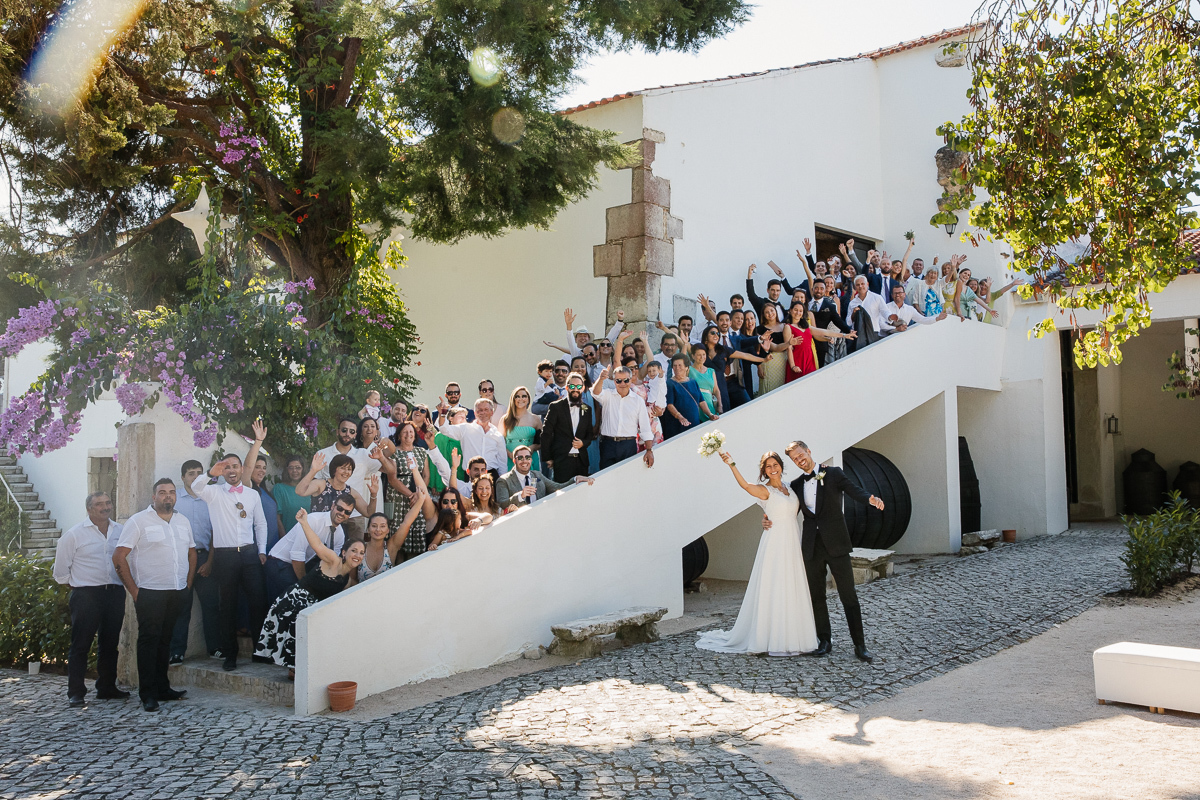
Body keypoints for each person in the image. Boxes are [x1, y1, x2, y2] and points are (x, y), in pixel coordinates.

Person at [696, 450, 817, 656]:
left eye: (775, 465)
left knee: (792, 584)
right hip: (775, 542)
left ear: (781, 466)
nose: (772, 469)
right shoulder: (765, 490)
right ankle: (769, 637)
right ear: (764, 471)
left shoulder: (790, 487)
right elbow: (745, 486)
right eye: (768, 467)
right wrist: (732, 464)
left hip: (792, 540)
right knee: (775, 584)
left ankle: (797, 634)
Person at [774, 440, 884, 662]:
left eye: (800, 454)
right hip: (811, 547)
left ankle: (859, 645)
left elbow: (854, 490)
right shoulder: (796, 484)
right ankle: (824, 641)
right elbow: (783, 508)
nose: (799, 459)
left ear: (809, 451)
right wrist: (768, 519)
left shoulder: (833, 473)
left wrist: (870, 499)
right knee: (817, 596)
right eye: (795, 459)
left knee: (849, 596)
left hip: (837, 545)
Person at [113, 478, 196, 712]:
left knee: (165, 642)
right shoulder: (138, 521)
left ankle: (163, 687)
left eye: (171, 492)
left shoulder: (183, 521)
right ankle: (147, 693)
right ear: (154, 497)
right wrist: (135, 591)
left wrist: (187, 583)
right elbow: (119, 557)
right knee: (149, 643)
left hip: (176, 591)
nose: (167, 496)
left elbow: (191, 552)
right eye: (162, 492)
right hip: (149, 593)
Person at [190, 433, 269, 672]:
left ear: (241, 469)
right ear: (222, 471)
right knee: (228, 606)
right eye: (227, 467)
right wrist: (210, 473)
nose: (232, 470)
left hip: (249, 554)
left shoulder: (252, 494)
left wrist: (262, 550)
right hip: (224, 557)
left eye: (235, 466)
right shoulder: (214, 492)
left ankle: (260, 650)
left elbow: (261, 524)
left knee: (258, 602)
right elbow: (195, 487)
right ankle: (230, 655)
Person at [256, 508, 364, 677]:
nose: (357, 555)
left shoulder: (347, 580)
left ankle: (296, 674)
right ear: (344, 552)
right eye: (354, 551)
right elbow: (317, 545)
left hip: (309, 611)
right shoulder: (332, 560)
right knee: (295, 655)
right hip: (293, 603)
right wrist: (305, 523)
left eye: (361, 553)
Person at [52, 491, 127, 707]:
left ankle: (107, 687)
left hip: (114, 592)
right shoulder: (74, 534)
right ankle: (76, 692)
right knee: (81, 644)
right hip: (86, 594)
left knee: (110, 643)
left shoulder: (120, 531)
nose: (105, 507)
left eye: (108, 502)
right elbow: (60, 572)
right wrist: (80, 586)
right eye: (99, 504)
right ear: (89, 509)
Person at [171, 460, 221, 663]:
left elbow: (216, 532)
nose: (195, 477)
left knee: (211, 605)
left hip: (204, 559)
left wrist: (209, 562)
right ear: (183, 477)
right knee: (181, 605)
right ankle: (177, 651)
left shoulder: (210, 499)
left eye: (199, 473)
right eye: (191, 473)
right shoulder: (176, 501)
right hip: (181, 559)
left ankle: (215, 648)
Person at [263, 494, 353, 602]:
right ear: (333, 506)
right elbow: (297, 554)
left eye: (347, 512)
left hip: (298, 565)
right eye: (340, 508)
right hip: (279, 563)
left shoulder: (340, 534)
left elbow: (332, 563)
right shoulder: (312, 520)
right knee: (289, 603)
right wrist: (305, 585)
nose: (342, 513)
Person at [314, 417, 381, 542]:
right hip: (330, 515)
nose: (347, 434)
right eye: (344, 430)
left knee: (355, 554)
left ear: (355, 435)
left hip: (355, 516)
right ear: (338, 432)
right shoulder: (323, 454)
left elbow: (389, 469)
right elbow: (314, 486)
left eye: (351, 431)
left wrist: (382, 457)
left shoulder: (363, 454)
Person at [384, 421, 432, 561]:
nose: (408, 435)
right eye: (404, 432)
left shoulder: (421, 452)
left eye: (411, 432)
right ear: (399, 435)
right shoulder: (393, 453)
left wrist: (419, 495)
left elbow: (426, 476)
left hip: (418, 498)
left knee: (415, 533)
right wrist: (411, 495)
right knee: (397, 533)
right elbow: (392, 479)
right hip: (397, 498)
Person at [592, 366, 656, 470]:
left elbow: (645, 428)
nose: (622, 384)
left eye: (626, 380)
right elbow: (595, 393)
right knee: (607, 479)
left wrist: (649, 450)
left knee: (627, 478)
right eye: (618, 381)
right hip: (608, 444)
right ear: (614, 381)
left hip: (628, 445)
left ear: (630, 380)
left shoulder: (638, 400)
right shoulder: (607, 395)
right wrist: (601, 379)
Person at [496, 445, 593, 511]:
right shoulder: (503, 480)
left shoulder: (537, 475)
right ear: (514, 460)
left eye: (527, 457)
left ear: (531, 459)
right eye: (520, 458)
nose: (524, 461)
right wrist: (520, 496)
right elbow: (502, 504)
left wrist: (575, 479)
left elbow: (557, 487)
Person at [540, 372, 596, 481]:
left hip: (581, 461)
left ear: (583, 388)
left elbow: (590, 434)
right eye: (572, 386)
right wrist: (548, 458)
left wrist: (583, 443)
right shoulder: (556, 407)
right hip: (562, 460)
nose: (575, 389)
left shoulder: (587, 409)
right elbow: (546, 433)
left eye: (579, 386)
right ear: (566, 387)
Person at [296, 452, 376, 525]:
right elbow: (300, 491)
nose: (346, 472)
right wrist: (313, 471)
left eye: (349, 469)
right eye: (343, 468)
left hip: (338, 533)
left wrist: (374, 495)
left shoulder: (350, 492)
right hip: (317, 528)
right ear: (334, 469)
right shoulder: (321, 484)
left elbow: (368, 513)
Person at [435, 397, 508, 474]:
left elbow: (502, 462)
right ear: (475, 413)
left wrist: (501, 482)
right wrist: (443, 413)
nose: (483, 413)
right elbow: (444, 429)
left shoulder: (497, 435)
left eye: (486, 410)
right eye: (480, 410)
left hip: (491, 474)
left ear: (492, 412)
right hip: (470, 475)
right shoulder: (465, 429)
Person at [358, 501, 423, 583]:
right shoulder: (359, 548)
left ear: (388, 530)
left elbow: (406, 523)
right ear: (368, 529)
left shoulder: (391, 547)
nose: (378, 530)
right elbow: (352, 579)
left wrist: (421, 499)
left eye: (382, 526)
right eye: (374, 526)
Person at [662, 355, 716, 439]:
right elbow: (670, 405)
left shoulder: (693, 382)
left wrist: (710, 414)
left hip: (694, 422)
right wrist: (681, 418)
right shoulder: (670, 383)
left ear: (687, 367)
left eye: (680, 365)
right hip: (677, 425)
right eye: (675, 365)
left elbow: (701, 401)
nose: (677, 368)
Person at [500, 386, 543, 471]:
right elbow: (499, 442)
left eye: (524, 396)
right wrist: (509, 454)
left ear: (528, 399)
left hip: (530, 458)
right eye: (517, 396)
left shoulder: (535, 419)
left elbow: (541, 442)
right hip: (511, 458)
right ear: (513, 399)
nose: (521, 399)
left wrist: (533, 447)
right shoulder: (505, 419)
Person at [271, 456, 311, 541]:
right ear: (286, 470)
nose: (294, 471)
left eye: (298, 468)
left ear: (303, 469)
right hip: (287, 538)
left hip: (308, 539)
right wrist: (285, 539)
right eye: (291, 468)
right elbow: (276, 518)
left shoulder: (310, 489)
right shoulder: (279, 489)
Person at [757, 303, 792, 393]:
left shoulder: (785, 326)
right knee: (770, 389)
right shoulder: (760, 329)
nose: (770, 313)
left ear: (776, 312)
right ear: (763, 315)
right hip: (770, 362)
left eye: (772, 310)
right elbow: (775, 348)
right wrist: (789, 343)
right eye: (767, 312)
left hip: (785, 361)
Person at [249, 454, 280, 551]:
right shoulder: (248, 490)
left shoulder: (265, 491)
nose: (261, 471)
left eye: (264, 468)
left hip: (273, 545)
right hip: (257, 547)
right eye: (257, 467)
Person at [688, 344, 721, 413]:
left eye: (704, 354)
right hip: (695, 406)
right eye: (699, 355)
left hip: (710, 405)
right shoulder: (689, 370)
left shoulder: (711, 371)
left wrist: (720, 405)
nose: (702, 357)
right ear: (693, 356)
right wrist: (685, 344)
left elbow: (716, 390)